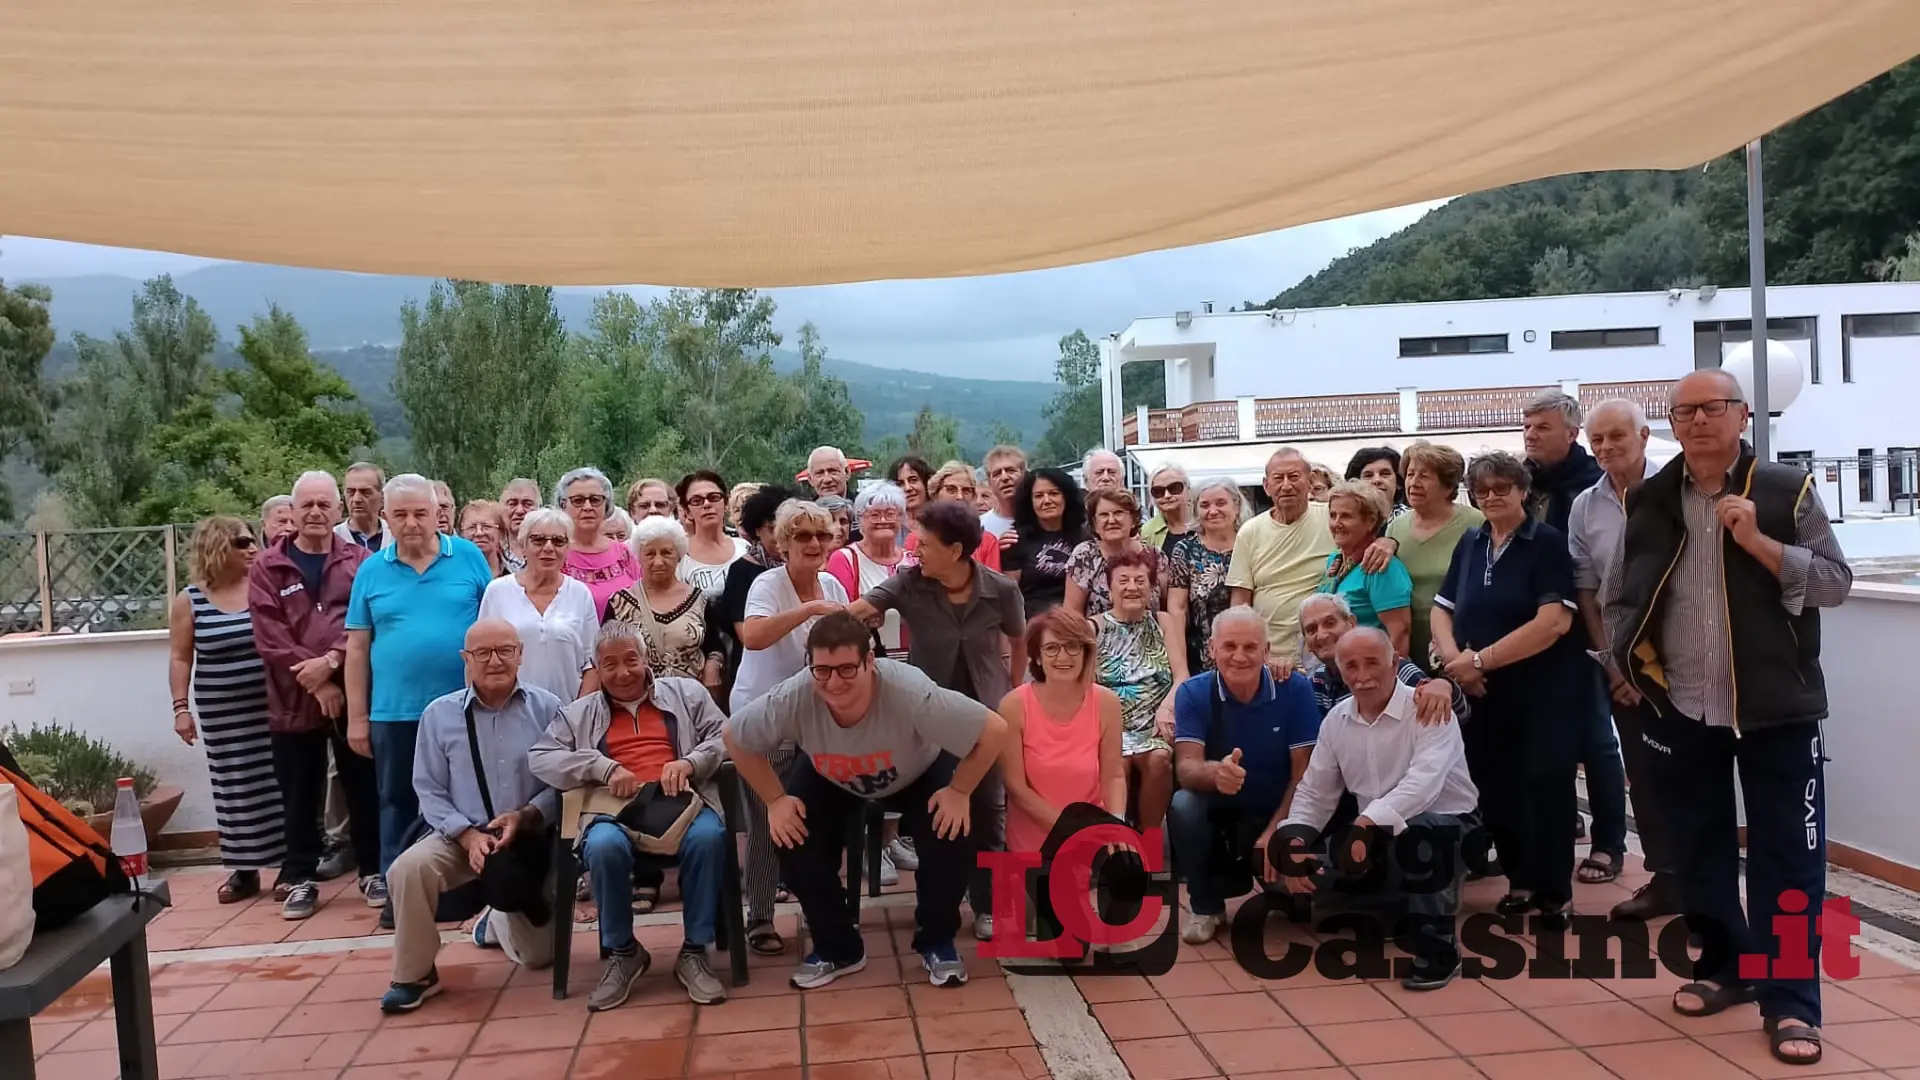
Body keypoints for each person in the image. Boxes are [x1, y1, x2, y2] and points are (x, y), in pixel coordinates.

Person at [1603, 370, 1851, 1066]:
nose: (1698, 421)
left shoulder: (1785, 490)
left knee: (1789, 861)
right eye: (1684, 411)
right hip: (1680, 707)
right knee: (1697, 852)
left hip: (1777, 713)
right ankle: (1727, 968)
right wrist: (1625, 664)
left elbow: (1836, 583)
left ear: (1742, 415)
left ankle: (1793, 1002)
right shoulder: (1650, 497)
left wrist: (1761, 545)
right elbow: (1621, 593)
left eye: (1712, 408)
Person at [724, 613, 1009, 989]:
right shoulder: (795, 694)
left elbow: (994, 730)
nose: (833, 682)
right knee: (792, 835)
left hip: (916, 768)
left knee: (951, 830)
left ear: (869, 661)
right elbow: (735, 737)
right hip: (830, 773)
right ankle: (838, 947)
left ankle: (937, 940)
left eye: (846, 669)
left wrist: (959, 792)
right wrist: (775, 801)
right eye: (822, 670)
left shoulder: (910, 691)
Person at [528, 620, 735, 1009]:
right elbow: (540, 758)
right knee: (603, 846)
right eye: (610, 664)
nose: (622, 673)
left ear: (646, 660)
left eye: (631, 660)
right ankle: (624, 951)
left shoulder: (686, 693)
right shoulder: (578, 714)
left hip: (681, 803)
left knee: (709, 837)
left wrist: (690, 762)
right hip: (614, 811)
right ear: (597, 668)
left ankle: (694, 951)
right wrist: (600, 767)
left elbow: (725, 736)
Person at [847, 498, 1025, 937]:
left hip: (987, 716)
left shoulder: (1001, 590)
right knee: (937, 812)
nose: (915, 550)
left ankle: (988, 905)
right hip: (930, 717)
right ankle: (941, 905)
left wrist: (1013, 690)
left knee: (989, 809)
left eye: (924, 544)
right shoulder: (909, 583)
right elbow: (857, 611)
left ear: (956, 550)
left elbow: (1019, 640)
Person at [1429, 451, 1584, 929]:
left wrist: (1480, 660)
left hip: (1542, 691)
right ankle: (1520, 881)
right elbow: (1442, 608)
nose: (1491, 496)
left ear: (1523, 491)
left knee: (1547, 789)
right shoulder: (1471, 541)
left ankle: (1555, 893)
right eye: (1482, 489)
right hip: (1480, 692)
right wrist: (1457, 663)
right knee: (1496, 789)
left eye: (1502, 488)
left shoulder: (1548, 543)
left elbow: (1553, 621)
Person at [1277, 627, 1481, 991]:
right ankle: (1400, 902)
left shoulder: (1429, 707)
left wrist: (1368, 821)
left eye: (1372, 662)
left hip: (1448, 826)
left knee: (1420, 835)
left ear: (1395, 664)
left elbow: (1423, 785)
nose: (1362, 675)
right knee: (1289, 873)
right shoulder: (1336, 721)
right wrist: (1294, 838)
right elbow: (1315, 791)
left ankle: (1439, 949)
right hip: (1375, 832)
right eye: (1351, 666)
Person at [379, 619, 560, 1013]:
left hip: (523, 841)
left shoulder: (548, 708)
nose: (495, 661)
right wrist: (466, 835)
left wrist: (527, 815)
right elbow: (428, 789)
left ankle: (493, 918)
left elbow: (563, 782)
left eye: (505, 650)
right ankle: (414, 975)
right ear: (466, 659)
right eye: (483, 653)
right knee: (407, 869)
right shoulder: (439, 715)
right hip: (458, 837)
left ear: (520, 654)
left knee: (538, 957)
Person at [345, 473, 494, 926]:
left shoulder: (468, 557)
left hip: (464, 709)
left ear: (437, 514)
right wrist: (357, 717)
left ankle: (463, 896)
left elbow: (493, 624)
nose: (411, 523)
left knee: (465, 802)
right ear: (385, 517)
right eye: (401, 514)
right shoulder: (371, 570)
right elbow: (357, 648)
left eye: (420, 513)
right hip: (395, 711)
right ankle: (400, 899)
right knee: (396, 802)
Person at [250, 472, 381, 920]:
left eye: (324, 504)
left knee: (363, 787)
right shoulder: (268, 566)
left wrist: (332, 663)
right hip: (292, 699)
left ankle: (373, 870)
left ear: (338, 510)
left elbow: (368, 622)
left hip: (353, 694)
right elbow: (270, 635)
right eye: (306, 504)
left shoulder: (361, 561)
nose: (315, 513)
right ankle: (300, 878)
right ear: (292, 511)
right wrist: (319, 681)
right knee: (299, 795)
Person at [1570, 399, 1674, 919]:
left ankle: (1706, 881)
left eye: (1617, 436)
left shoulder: (1677, 490)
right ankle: (1666, 877)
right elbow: (1588, 593)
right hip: (1622, 664)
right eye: (1597, 440)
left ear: (1644, 436)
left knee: (1695, 775)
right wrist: (1613, 665)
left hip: (1686, 660)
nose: (1607, 447)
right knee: (1646, 774)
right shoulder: (1585, 506)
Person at [1167, 607, 1323, 944]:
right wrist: (1215, 773)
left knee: (1307, 905)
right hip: (1224, 816)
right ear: (1212, 649)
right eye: (1229, 646)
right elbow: (1186, 768)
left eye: (1250, 647)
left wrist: (1278, 832)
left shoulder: (1294, 688)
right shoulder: (1192, 692)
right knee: (1184, 804)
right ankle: (1206, 906)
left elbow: (1304, 774)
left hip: (1277, 810)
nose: (1239, 656)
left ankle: (1269, 877)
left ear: (1266, 651)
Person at [733, 498, 847, 950]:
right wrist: (809, 609)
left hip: (816, 720)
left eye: (822, 535)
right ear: (783, 543)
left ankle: (823, 910)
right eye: (802, 535)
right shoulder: (767, 582)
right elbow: (753, 636)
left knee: (819, 818)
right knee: (767, 819)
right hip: (763, 717)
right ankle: (760, 917)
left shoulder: (833, 584)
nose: (814, 543)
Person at [1521, 390, 1628, 866]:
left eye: (1542, 427)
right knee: (1548, 740)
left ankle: (1609, 843)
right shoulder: (1521, 482)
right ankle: (1560, 833)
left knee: (1598, 740)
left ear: (1570, 433)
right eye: (1527, 426)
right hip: (1533, 630)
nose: (1531, 435)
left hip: (1588, 628)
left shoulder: (1594, 484)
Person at [168, 516, 286, 905]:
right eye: (242, 542)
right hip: (222, 711)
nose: (253, 548)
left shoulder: (265, 587)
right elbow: (180, 657)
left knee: (279, 780)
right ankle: (244, 869)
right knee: (233, 785)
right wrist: (181, 709)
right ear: (217, 548)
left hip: (273, 705)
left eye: (252, 541)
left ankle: (290, 865)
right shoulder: (191, 599)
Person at [997, 608, 1126, 946]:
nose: (1063, 656)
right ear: (1037, 656)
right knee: (1069, 947)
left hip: (1090, 828)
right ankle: (1038, 897)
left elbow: (1114, 774)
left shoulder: (1107, 703)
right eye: (1052, 648)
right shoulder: (1014, 705)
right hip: (1039, 836)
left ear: (1086, 652)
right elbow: (1016, 788)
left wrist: (1116, 823)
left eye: (1072, 646)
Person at [1092, 551, 1178, 839]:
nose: (1132, 587)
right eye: (1123, 580)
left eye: (1140, 580)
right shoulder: (1093, 627)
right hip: (1110, 726)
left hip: (1154, 724)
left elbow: (1182, 676)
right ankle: (1118, 841)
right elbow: (1085, 685)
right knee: (1119, 763)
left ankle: (1148, 840)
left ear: (1152, 588)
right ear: (1109, 588)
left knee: (1159, 759)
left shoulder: (1163, 621)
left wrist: (1167, 707)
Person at [1227, 448, 1335, 667]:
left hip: (1326, 655)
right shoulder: (1250, 532)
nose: (1286, 485)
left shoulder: (1331, 518)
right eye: (1278, 479)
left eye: (1294, 477)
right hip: (1270, 657)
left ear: (1309, 481)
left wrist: (1388, 542)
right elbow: (1240, 603)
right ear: (1266, 486)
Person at [1381, 442, 1484, 672]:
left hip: (1459, 646)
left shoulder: (1475, 523)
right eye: (1410, 474)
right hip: (1408, 646)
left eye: (1424, 476)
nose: (1414, 482)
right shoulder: (1396, 527)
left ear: (1448, 486)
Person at [479, 507, 599, 703]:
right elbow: (482, 657)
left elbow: (593, 663)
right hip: (511, 710)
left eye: (558, 541)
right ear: (523, 545)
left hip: (569, 711)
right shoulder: (497, 591)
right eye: (538, 540)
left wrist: (577, 712)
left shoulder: (580, 593)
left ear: (567, 548)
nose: (549, 548)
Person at [1299, 593, 1463, 724]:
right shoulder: (1317, 681)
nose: (1321, 635)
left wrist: (1444, 686)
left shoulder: (1394, 668)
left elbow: (1458, 715)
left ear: (1351, 623)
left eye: (1330, 623)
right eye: (1311, 630)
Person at [609, 516, 725, 691]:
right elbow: (607, 653)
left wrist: (713, 667)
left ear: (678, 555)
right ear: (639, 557)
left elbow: (714, 645)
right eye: (650, 554)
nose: (658, 562)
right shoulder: (619, 603)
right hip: (639, 697)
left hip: (691, 697)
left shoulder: (699, 600)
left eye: (666, 552)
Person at [1320, 481, 1414, 658]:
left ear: (1370, 521)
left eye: (1346, 516)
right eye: (1333, 515)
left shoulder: (1381, 566)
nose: (1336, 523)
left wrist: (1385, 670)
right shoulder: (1335, 560)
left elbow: (1399, 634)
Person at [1166, 477, 1246, 676]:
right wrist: (1180, 668)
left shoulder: (1250, 544)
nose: (1212, 511)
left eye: (1221, 503)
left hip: (1245, 650)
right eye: (1205, 505)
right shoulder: (1185, 550)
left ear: (1236, 507)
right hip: (1200, 656)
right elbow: (1177, 609)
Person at [827, 482, 910, 658]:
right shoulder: (845, 559)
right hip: (864, 656)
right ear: (860, 520)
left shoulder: (913, 560)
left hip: (913, 655)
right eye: (874, 514)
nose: (883, 521)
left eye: (890, 514)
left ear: (901, 518)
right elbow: (837, 615)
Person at [556, 466, 640, 620]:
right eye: (578, 501)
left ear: (606, 505)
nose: (587, 507)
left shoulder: (624, 554)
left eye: (595, 500)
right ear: (563, 505)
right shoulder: (555, 554)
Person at [1001, 467, 1085, 618]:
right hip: (1031, 624)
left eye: (1054, 493)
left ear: (1066, 497)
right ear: (1029, 502)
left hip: (1075, 622)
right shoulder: (1015, 540)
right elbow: (1009, 596)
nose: (1047, 501)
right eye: (1039, 496)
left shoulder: (1084, 539)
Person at [1065, 489, 1163, 617]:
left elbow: (1166, 609)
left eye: (1118, 513)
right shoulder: (1084, 556)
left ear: (1134, 520)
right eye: (1104, 515)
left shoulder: (1155, 556)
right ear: (1094, 524)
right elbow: (1071, 614)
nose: (1111, 520)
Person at [908, 466, 1003, 571]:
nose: (960, 496)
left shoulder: (987, 541)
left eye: (966, 490)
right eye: (951, 489)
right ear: (935, 494)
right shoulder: (916, 539)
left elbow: (991, 580)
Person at [678, 470, 750, 599]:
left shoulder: (745, 548)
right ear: (687, 511)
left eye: (714, 497)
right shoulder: (679, 558)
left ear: (726, 503)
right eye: (696, 500)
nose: (707, 504)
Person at [1345, 447, 1409, 522]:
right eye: (1368, 475)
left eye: (1385, 474)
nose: (1377, 480)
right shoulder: (1343, 519)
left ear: (1398, 481)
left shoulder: (1412, 520)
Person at [1139, 464, 1193, 551]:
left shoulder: (1205, 521)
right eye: (1158, 491)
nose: (1167, 495)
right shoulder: (1147, 531)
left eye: (1174, 488)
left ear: (1188, 489)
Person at [336, 461, 387, 550]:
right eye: (351, 492)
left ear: (382, 496)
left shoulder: (396, 536)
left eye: (365, 492)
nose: (356, 499)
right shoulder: (332, 538)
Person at [981, 445, 1027, 540]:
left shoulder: (1043, 519)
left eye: (1010, 470)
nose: (1004, 477)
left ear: (1025, 474)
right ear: (989, 482)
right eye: (997, 474)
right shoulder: (980, 527)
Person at [499, 478, 542, 574]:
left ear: (539, 509)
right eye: (512, 504)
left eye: (527, 504)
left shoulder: (551, 547)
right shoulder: (492, 549)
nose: (519, 510)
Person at [459, 499, 511, 577]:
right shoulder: (453, 575)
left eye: (486, 526)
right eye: (472, 527)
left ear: (500, 533)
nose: (479, 533)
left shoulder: (515, 576)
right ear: (462, 534)